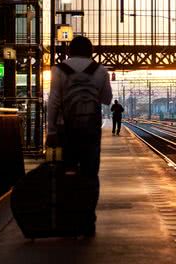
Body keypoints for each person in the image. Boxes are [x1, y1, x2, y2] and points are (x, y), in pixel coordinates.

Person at [47, 36, 112, 236]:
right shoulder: (100, 71)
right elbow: (107, 99)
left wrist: (50, 131)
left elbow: (54, 102)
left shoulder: (59, 70)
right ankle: (87, 220)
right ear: (90, 51)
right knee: (90, 175)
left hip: (64, 131)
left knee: (64, 173)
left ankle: (67, 218)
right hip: (90, 132)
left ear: (70, 52)